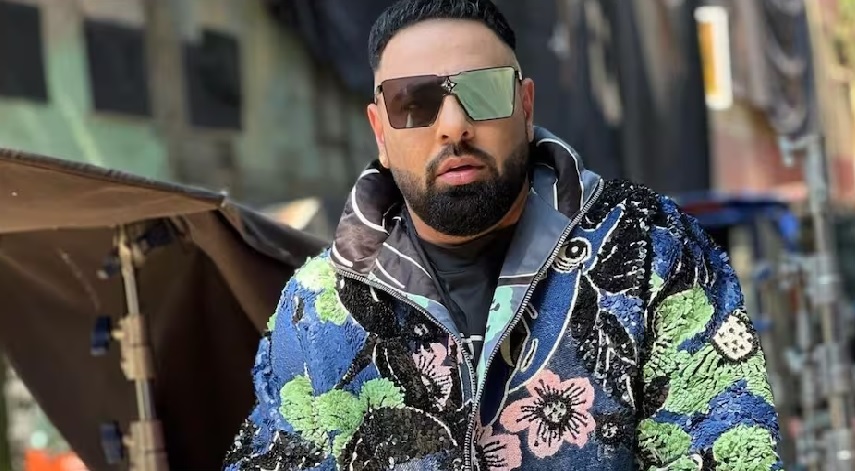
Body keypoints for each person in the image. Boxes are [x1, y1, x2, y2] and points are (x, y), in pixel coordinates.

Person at [223, 0, 782, 469]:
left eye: (484, 93)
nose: (453, 125)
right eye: (413, 103)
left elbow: (730, 447)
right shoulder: (317, 310)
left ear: (526, 106)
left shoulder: (649, 249)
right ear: (381, 133)